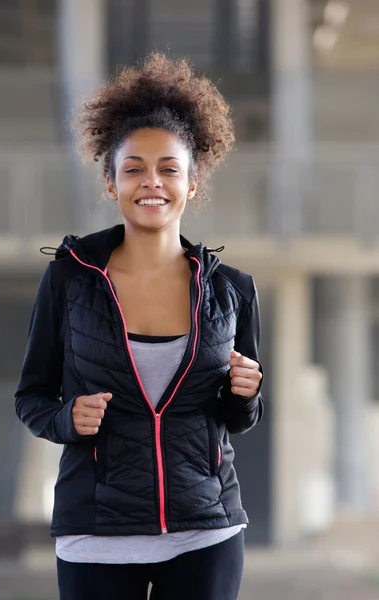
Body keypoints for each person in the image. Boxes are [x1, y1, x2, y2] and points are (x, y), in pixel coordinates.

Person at [15, 53, 263, 600]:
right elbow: (32, 397)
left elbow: (236, 419)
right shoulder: (69, 282)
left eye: (169, 168)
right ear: (111, 183)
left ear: (192, 183)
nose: (152, 182)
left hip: (206, 530)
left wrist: (246, 394)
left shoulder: (232, 291)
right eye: (134, 169)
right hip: (95, 534)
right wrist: (68, 420)